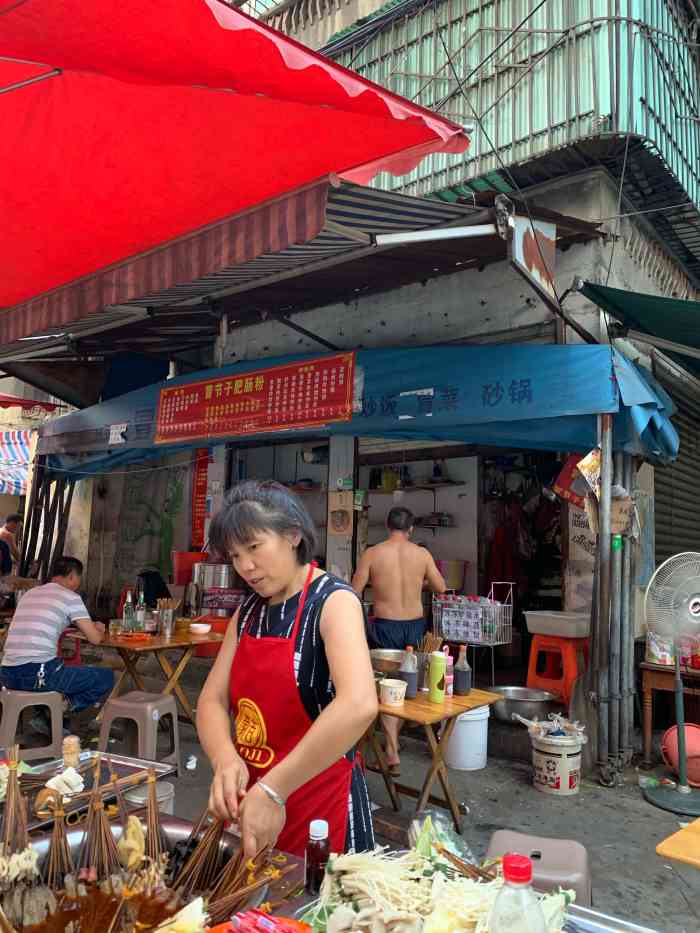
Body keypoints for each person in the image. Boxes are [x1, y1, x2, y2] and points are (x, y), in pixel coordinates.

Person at [197, 481, 377, 859]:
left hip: (320, 808)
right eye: (234, 555)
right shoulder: (247, 613)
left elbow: (358, 704)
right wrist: (225, 758)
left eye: (254, 547)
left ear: (293, 535)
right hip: (253, 804)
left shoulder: (333, 602)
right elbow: (212, 700)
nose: (245, 566)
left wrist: (275, 788)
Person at [352, 506, 446, 774]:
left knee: (386, 686)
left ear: (387, 526)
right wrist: (418, 583)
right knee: (409, 684)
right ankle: (393, 745)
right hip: (415, 628)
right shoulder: (422, 554)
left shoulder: (373, 553)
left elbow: (354, 591)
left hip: (385, 627)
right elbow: (441, 588)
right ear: (411, 529)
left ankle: (392, 748)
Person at [0, 556, 114, 726]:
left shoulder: (30, 594)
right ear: (72, 576)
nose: (78, 584)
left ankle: (48, 719)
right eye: (78, 579)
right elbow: (95, 639)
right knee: (105, 677)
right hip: (39, 674)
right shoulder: (70, 597)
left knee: (57, 672)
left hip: (7, 674)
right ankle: (64, 708)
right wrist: (99, 628)